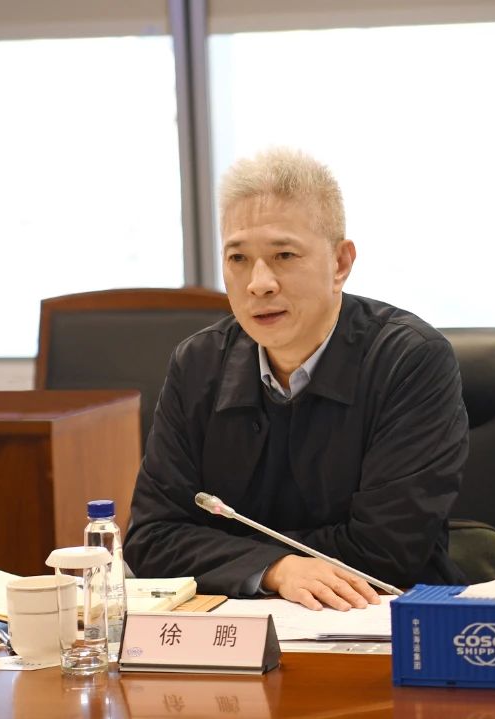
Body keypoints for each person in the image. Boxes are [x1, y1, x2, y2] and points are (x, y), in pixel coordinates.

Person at [125, 147, 468, 611]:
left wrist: (226, 552)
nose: (258, 283)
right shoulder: (198, 364)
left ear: (340, 264)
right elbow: (151, 538)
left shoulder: (409, 360)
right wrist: (275, 568)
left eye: (283, 255)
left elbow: (387, 551)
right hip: (240, 630)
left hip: (384, 622)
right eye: (238, 258)